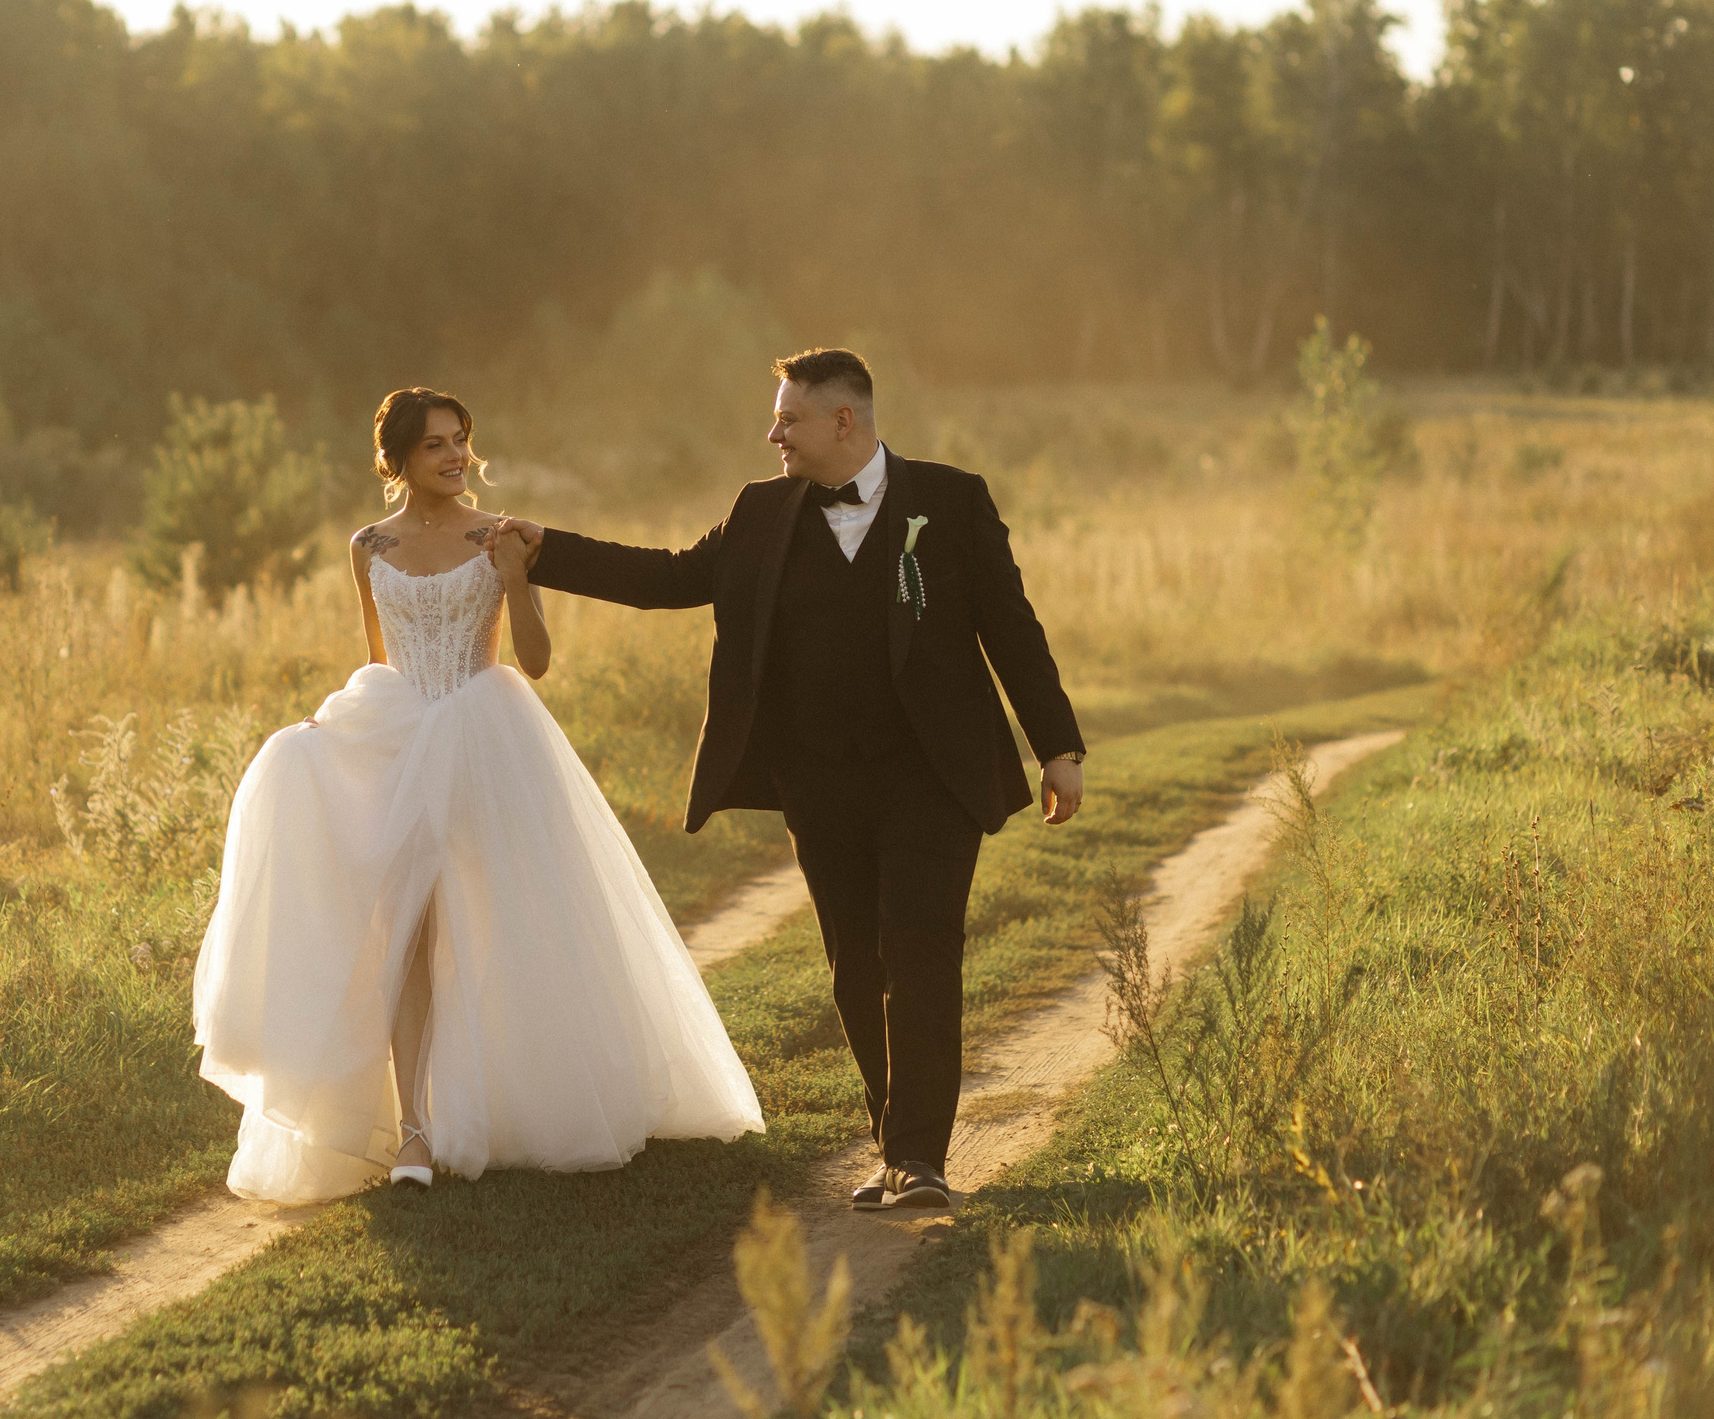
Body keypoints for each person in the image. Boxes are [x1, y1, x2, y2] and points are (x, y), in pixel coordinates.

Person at [498, 348, 1083, 1210]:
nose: (773, 432)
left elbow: (1012, 625)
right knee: (856, 965)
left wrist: (1057, 745)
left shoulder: (951, 501)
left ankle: (919, 1157)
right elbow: (670, 577)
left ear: (843, 420)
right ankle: (896, 1145)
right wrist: (549, 552)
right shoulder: (760, 512)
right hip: (820, 780)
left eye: (788, 418)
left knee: (921, 952)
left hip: (931, 777)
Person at [191, 387, 763, 1204]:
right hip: (400, 737)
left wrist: (518, 580)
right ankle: (417, 1129)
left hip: (487, 735)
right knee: (406, 934)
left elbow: (534, 660)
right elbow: (381, 658)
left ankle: (514, 1098)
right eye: (435, 445)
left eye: (460, 440)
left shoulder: (495, 535)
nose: (456, 456)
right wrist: (349, 732)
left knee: (510, 921)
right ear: (397, 460)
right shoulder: (367, 545)